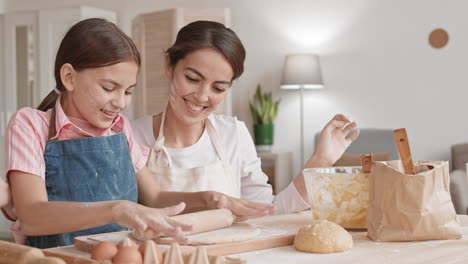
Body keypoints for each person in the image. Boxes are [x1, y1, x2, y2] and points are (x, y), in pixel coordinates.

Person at [6, 18, 272, 249]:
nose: (121, 103)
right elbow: (32, 215)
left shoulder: (120, 128)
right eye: (109, 88)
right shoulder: (31, 125)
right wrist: (118, 209)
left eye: (128, 91)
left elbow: (154, 197)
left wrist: (210, 198)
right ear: (69, 77)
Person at [131, 21, 360, 215]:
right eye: (192, 79)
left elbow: (267, 212)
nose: (202, 96)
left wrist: (321, 159)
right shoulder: (132, 136)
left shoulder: (233, 133)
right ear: (169, 66)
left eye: (218, 88)